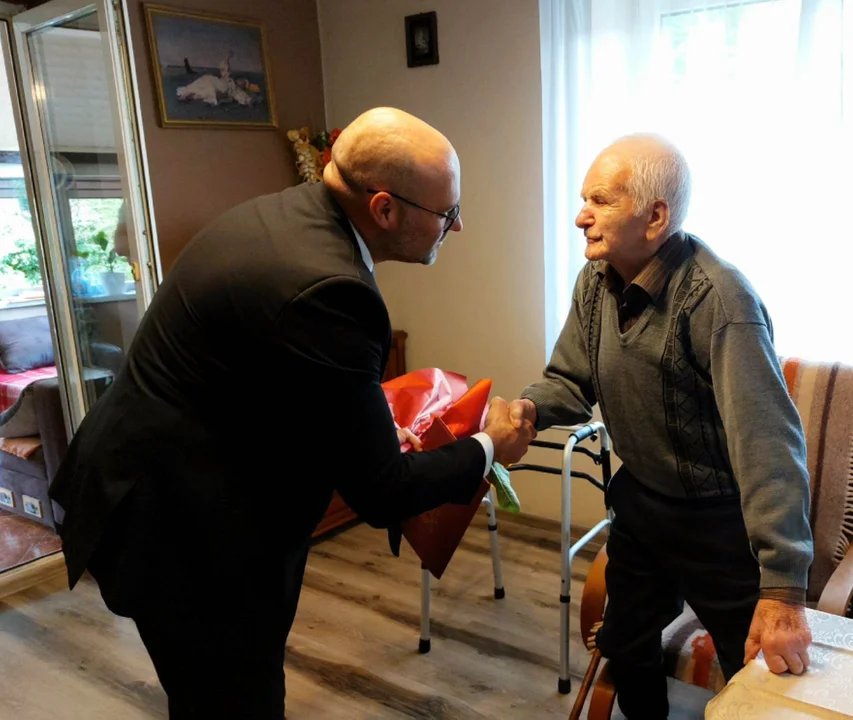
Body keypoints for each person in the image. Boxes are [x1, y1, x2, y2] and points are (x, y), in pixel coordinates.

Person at [49, 107, 535, 719]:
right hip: (183, 536)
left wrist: (364, 424)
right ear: (384, 209)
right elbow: (382, 492)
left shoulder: (281, 213)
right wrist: (490, 446)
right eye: (447, 212)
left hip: (157, 481)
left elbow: (282, 382)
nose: (457, 225)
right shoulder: (333, 290)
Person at [509, 134, 814, 718]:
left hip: (719, 526)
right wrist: (528, 410)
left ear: (655, 218)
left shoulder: (720, 300)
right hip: (643, 509)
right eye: (583, 199)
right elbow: (570, 381)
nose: (580, 216)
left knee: (757, 675)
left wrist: (782, 588)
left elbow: (770, 445)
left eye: (600, 200)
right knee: (624, 645)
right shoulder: (595, 282)